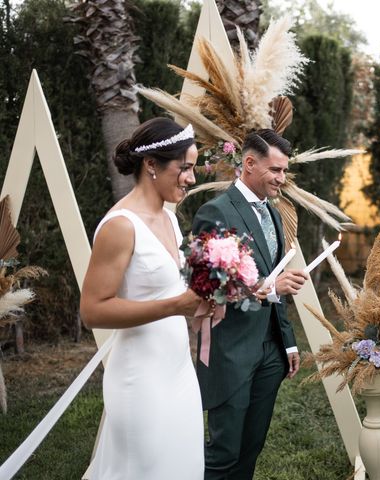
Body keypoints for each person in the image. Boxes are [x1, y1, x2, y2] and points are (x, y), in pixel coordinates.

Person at [80, 118, 205, 479]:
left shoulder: (170, 218)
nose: (191, 178)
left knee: (184, 467)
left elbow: (173, 288)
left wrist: (207, 300)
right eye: (184, 168)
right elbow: (92, 310)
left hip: (179, 368)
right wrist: (174, 306)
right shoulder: (120, 225)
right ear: (151, 165)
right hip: (140, 378)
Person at [192, 129, 308, 479]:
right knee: (224, 453)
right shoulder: (215, 212)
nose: (281, 178)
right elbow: (205, 286)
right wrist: (266, 287)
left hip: (270, 352)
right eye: (275, 170)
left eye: (284, 171)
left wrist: (286, 341)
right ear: (249, 163)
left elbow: (276, 281)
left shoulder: (272, 214)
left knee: (251, 448)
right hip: (231, 351)